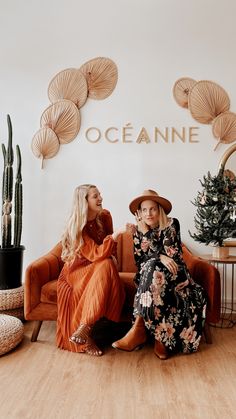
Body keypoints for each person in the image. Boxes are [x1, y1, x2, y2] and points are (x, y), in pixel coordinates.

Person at [112, 189, 207, 359]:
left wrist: (147, 236)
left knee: (152, 265)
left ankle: (139, 330)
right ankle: (160, 339)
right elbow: (140, 261)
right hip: (150, 276)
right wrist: (157, 254)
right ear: (139, 213)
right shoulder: (137, 232)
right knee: (150, 266)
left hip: (174, 274)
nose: (148, 213)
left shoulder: (172, 224)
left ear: (159, 210)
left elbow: (171, 256)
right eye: (144, 210)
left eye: (152, 209)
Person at [56, 184, 126, 356]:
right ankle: (86, 329)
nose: (100, 198)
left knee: (107, 263)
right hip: (76, 272)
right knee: (105, 263)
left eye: (99, 194)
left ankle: (84, 328)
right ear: (84, 202)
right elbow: (96, 253)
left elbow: (109, 251)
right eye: (95, 196)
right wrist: (117, 235)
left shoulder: (105, 217)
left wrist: (114, 256)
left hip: (99, 268)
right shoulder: (78, 228)